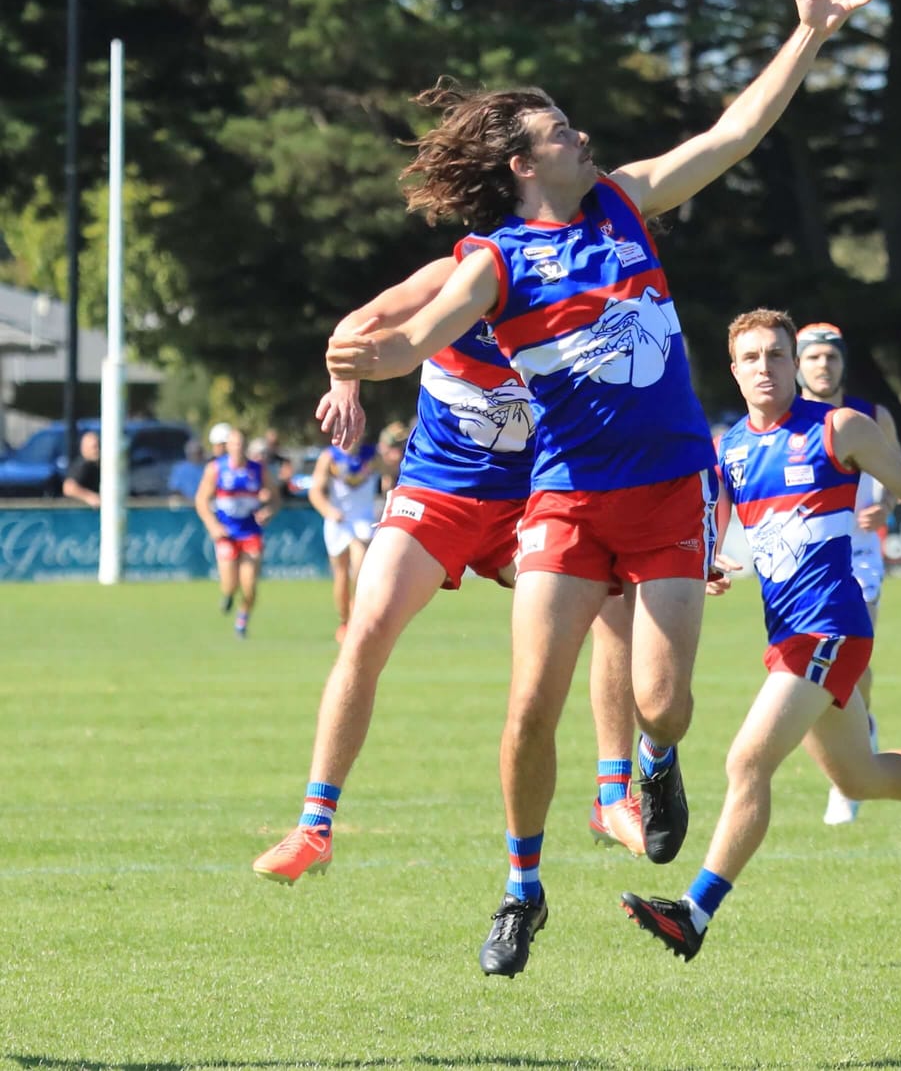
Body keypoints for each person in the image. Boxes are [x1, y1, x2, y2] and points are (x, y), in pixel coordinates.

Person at [326, 0, 875, 978]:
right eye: (562, 132)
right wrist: (374, 355)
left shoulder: (623, 202)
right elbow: (420, 333)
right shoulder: (495, 259)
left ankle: (658, 761)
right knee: (530, 704)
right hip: (566, 501)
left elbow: (731, 133)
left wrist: (806, 33)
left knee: (665, 703)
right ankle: (520, 887)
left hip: (667, 493)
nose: (584, 137)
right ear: (528, 165)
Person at [620, 310, 901, 960]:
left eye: (775, 355)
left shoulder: (839, 428)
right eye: (750, 357)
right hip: (787, 634)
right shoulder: (733, 448)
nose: (764, 367)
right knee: (859, 774)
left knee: (747, 761)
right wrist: (708, 563)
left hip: (832, 623)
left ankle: (694, 911)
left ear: (793, 362)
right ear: (734, 370)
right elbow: (715, 530)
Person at [254, 261, 650, 897]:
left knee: (614, 604)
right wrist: (345, 386)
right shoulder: (455, 273)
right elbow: (359, 325)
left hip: (534, 500)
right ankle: (314, 826)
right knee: (367, 627)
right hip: (436, 495)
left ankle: (612, 795)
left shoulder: (577, 286)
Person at [795, 320, 895, 826]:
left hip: (859, 554)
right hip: (804, 560)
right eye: (813, 357)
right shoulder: (789, 420)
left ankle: (852, 763)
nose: (822, 365)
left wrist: (886, 508)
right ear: (799, 364)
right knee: (814, 664)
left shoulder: (872, 415)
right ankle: (850, 764)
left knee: (854, 661)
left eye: (830, 357)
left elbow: (898, 475)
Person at [196, 426, 271, 638]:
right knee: (230, 582)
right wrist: (213, 526)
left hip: (250, 531)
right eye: (234, 444)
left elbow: (275, 498)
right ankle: (228, 594)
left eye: (241, 444)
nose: (238, 448)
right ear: (227, 446)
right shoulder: (216, 469)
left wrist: (268, 511)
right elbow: (201, 500)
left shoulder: (258, 469)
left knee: (249, 585)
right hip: (227, 533)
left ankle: (242, 620)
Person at [309, 439, 380, 643]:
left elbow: (392, 473)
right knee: (341, 575)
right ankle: (345, 620)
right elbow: (316, 491)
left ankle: (358, 617)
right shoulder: (329, 457)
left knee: (360, 566)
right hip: (338, 521)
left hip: (363, 519)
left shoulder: (371, 455)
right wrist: (328, 511)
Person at [62, 430, 102, 508]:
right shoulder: (82, 465)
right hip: (79, 514)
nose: (97, 450)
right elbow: (68, 487)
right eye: (94, 447)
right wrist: (90, 497)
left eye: (99, 446)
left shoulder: (98, 465)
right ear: (84, 448)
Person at [168, 440, 207, 504]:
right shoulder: (179, 469)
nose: (195, 455)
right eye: (192, 453)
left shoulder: (208, 468)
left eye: (198, 453)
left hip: (204, 503)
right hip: (185, 505)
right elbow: (175, 490)